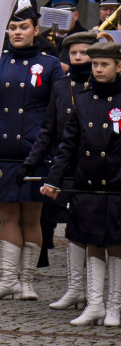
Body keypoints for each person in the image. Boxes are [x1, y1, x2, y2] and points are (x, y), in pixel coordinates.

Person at [0, 0, 64, 301]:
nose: (17, 32)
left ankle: (27, 282)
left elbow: (59, 110)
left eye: (23, 27)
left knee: (32, 217)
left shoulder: (49, 65)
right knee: (6, 216)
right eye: (12, 27)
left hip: (35, 152)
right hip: (3, 149)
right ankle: (8, 278)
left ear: (36, 29)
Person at [42, 40, 121, 327]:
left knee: (115, 243)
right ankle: (95, 304)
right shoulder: (83, 99)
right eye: (95, 64)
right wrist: (54, 178)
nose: (98, 69)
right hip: (86, 180)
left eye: (104, 65)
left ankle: (115, 306)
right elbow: (68, 144)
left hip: (116, 182)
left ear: (118, 66)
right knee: (90, 241)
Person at [19, 30, 96, 311]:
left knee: (96, 229)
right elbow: (49, 129)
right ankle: (75, 288)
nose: (78, 57)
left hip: (95, 167)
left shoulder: (101, 83)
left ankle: (96, 292)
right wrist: (31, 161)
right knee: (73, 227)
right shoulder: (62, 86)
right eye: (74, 53)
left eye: (84, 52)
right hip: (65, 165)